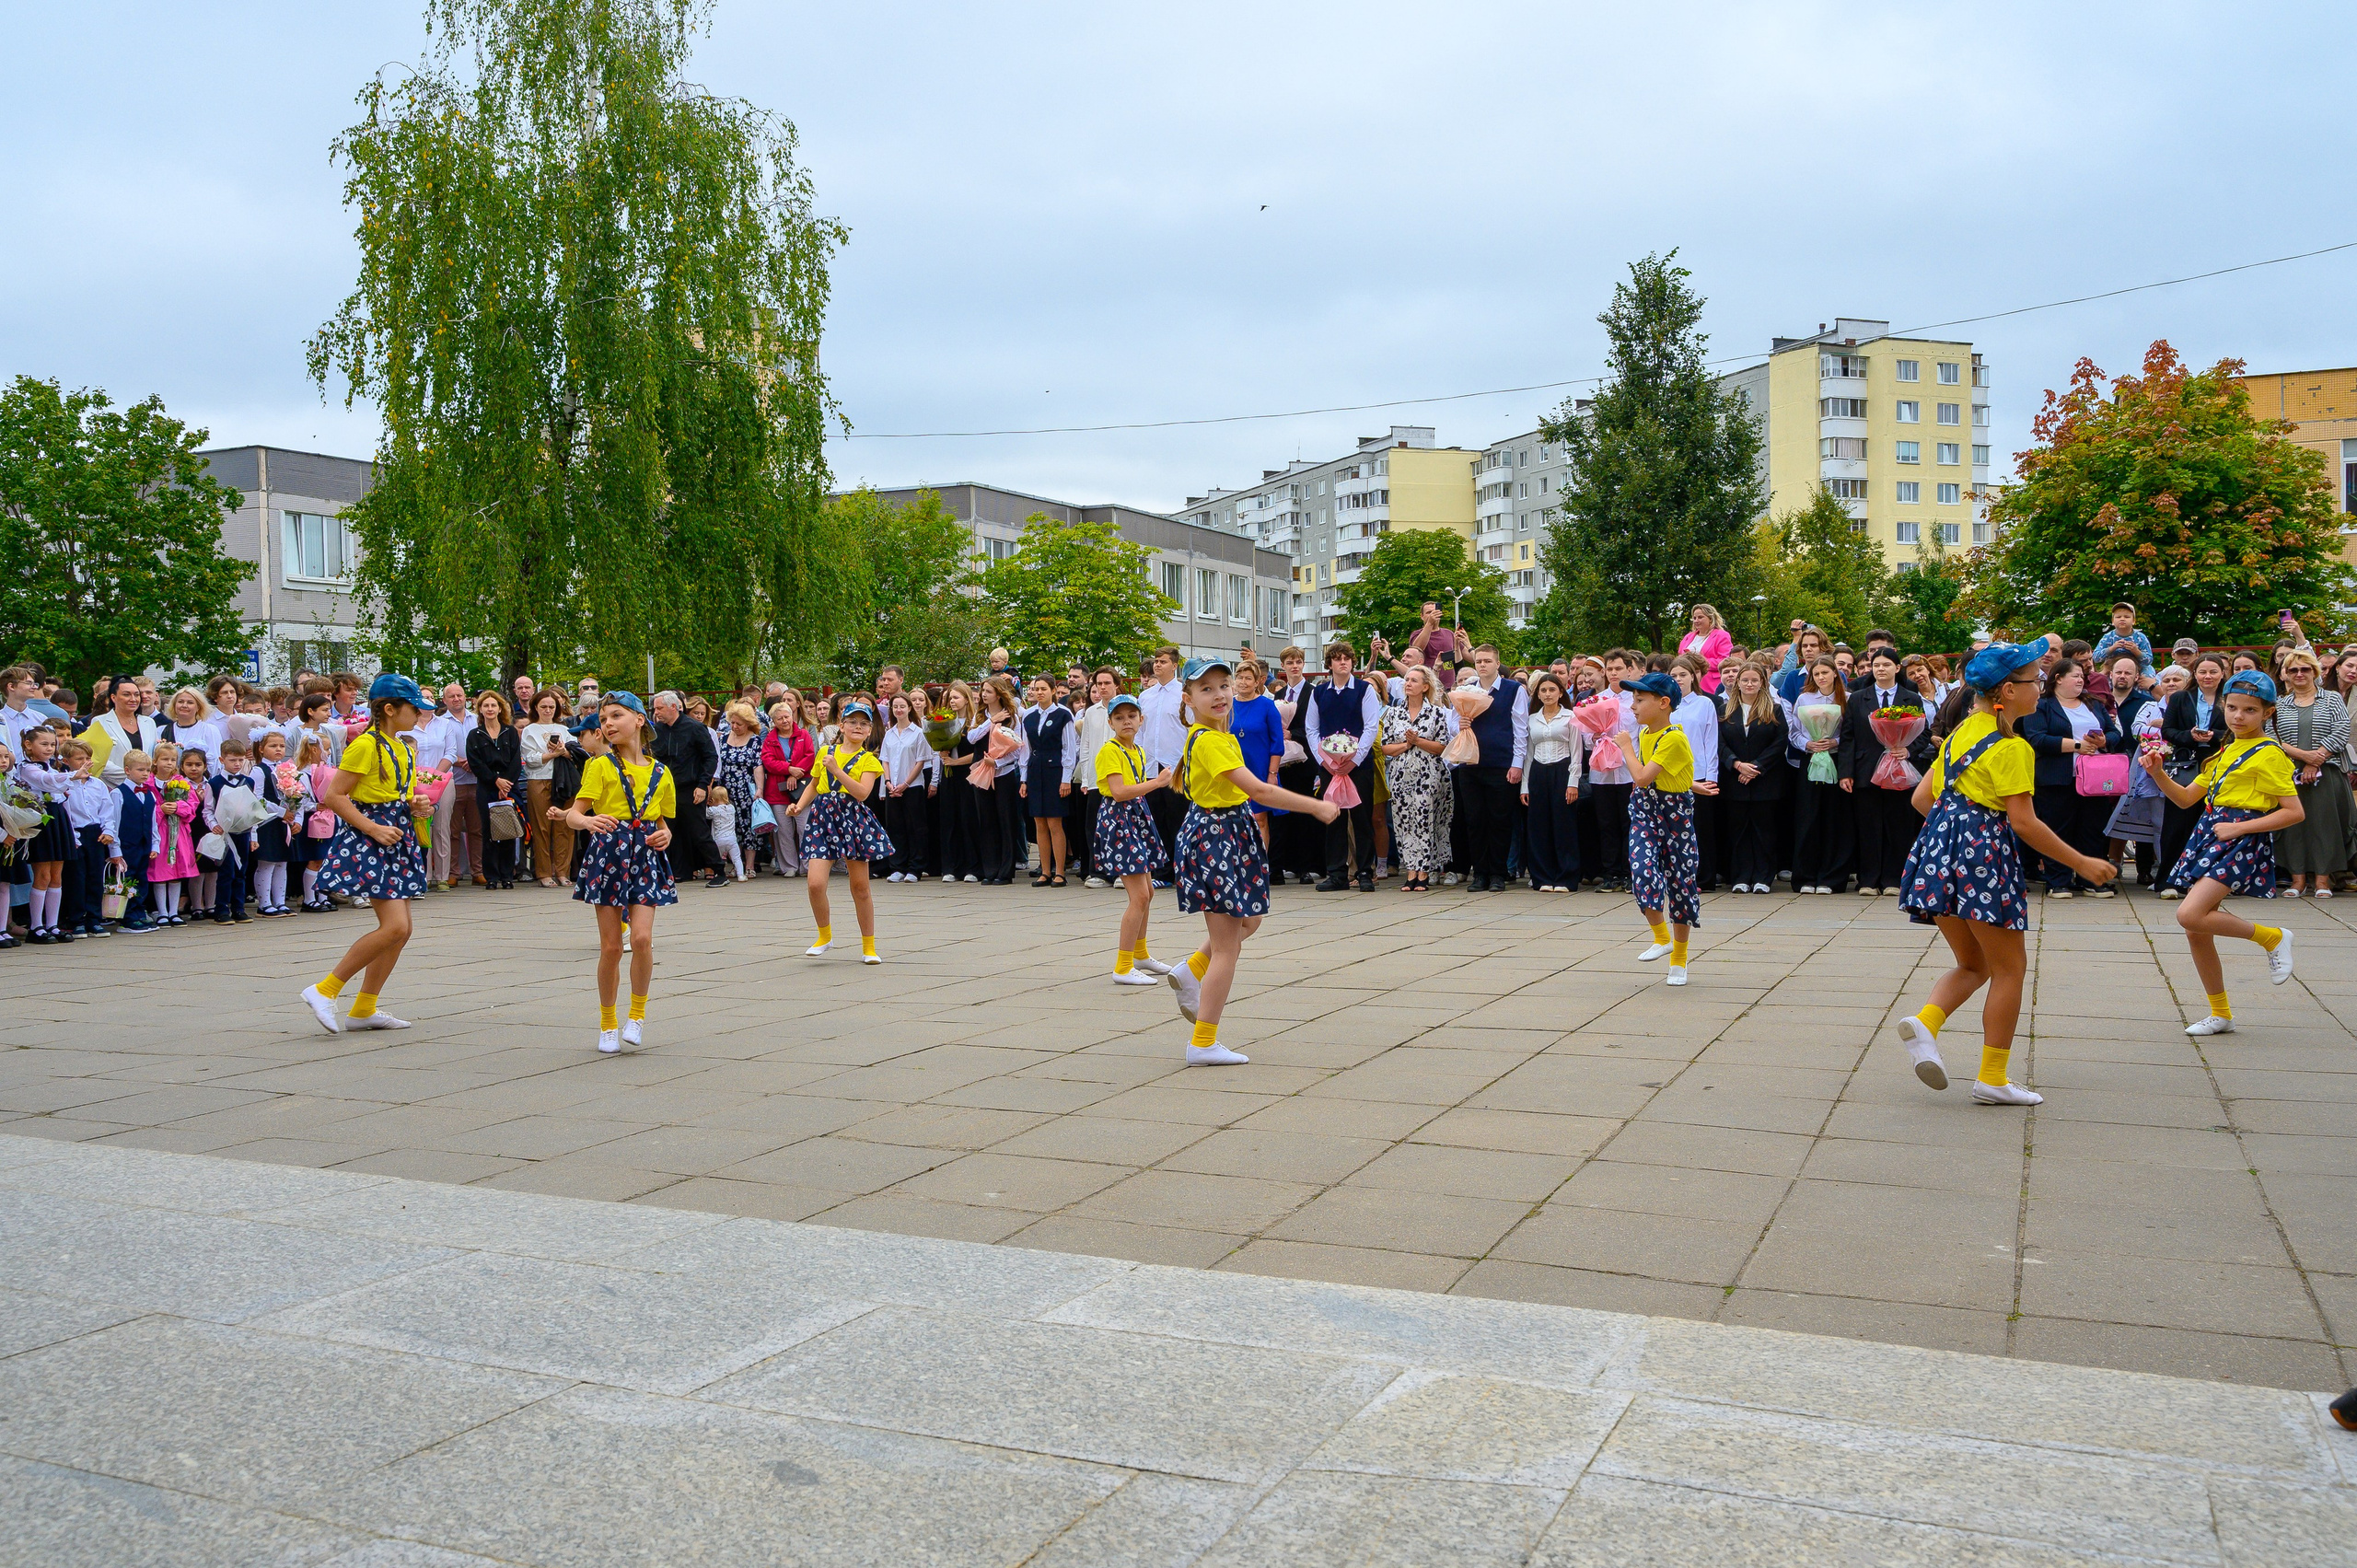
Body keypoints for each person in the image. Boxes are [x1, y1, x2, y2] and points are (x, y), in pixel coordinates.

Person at [1894, 637, 2117, 1106]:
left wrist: (1954, 829)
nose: (2040, 685)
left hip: (1938, 850)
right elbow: (2023, 822)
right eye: (2033, 679)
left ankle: (1926, 1023)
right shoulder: (2013, 747)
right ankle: (1992, 1078)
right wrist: (2081, 862)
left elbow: (1920, 800)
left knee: (1972, 963)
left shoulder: (1960, 733)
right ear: (2006, 693)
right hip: (1982, 857)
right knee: (2010, 969)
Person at [1158, 656, 1338, 1064]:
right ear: (1188, 699)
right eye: (1206, 689)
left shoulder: (1216, 736)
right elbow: (1261, 790)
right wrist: (1316, 806)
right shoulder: (1210, 740)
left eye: (1223, 685)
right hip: (1215, 837)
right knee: (1227, 948)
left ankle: (1191, 969)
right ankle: (1202, 1042)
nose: (1219, 694)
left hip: (1225, 833)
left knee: (1249, 920)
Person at [2144, 671, 2303, 1035]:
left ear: (2267, 712)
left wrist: (2240, 828)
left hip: (2241, 839)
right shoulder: (2227, 749)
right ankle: (2221, 1013)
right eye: (2232, 708)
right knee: (2197, 930)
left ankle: (2273, 937)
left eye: (2249, 710)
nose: (2238, 716)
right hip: (2212, 833)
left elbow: (2294, 812)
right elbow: (2186, 799)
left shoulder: (2271, 754)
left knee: (2189, 914)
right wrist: (2157, 774)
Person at [303, 673, 432, 1035]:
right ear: (389, 709)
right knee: (395, 927)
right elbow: (334, 796)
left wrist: (415, 802)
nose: (420, 715)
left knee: (399, 932)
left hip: (395, 837)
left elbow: (395, 793)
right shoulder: (365, 745)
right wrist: (372, 828)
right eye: (414, 709)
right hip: (372, 839)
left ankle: (364, 1008)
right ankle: (325, 989)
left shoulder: (402, 746)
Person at [563, 692, 677, 1053]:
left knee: (642, 939)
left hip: (645, 856)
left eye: (616, 715)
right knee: (612, 946)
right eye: (604, 719)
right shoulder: (600, 766)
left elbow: (662, 819)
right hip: (608, 855)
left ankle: (637, 1016)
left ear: (640, 720)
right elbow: (573, 814)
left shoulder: (661, 771)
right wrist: (588, 820)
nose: (607, 724)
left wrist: (666, 833)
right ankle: (608, 1022)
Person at [789, 699, 892, 962]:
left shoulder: (868, 760)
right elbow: (814, 784)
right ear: (842, 725)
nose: (858, 727)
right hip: (823, 818)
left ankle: (868, 946)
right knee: (815, 884)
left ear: (869, 730)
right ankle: (825, 935)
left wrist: (836, 769)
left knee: (860, 887)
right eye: (853, 722)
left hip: (851, 819)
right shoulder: (826, 750)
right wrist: (799, 806)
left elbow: (862, 792)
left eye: (864, 723)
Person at [2019, 656, 2126, 899]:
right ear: (2058, 678)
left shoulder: (2093, 703)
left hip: (2095, 781)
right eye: (2075, 676)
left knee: (2092, 828)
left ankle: (2092, 880)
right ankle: (2058, 880)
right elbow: (2036, 738)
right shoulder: (2042, 705)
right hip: (2057, 779)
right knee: (2058, 829)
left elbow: (2115, 733)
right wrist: (2077, 746)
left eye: (2082, 676)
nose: (2080, 680)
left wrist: (2104, 741)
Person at [1620, 671, 1700, 985]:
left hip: (1675, 816)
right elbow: (1661, 776)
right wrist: (1692, 784)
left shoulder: (1674, 737)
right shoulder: (1646, 734)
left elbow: (1642, 775)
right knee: (1642, 869)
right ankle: (1660, 936)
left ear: (1664, 703)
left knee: (1681, 885)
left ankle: (1678, 960)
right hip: (1645, 811)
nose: (1633, 707)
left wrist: (1625, 746)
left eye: (1640, 700)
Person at [1837, 647, 1933, 895]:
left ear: (1897, 669)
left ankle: (1893, 879)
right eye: (1876, 665)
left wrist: (1908, 750)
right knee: (1868, 826)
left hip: (1899, 772)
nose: (1880, 669)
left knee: (1897, 825)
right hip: (1866, 770)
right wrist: (1846, 772)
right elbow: (1848, 737)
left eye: (1886, 665)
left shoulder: (1911, 697)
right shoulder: (1858, 697)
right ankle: (1868, 880)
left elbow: (1924, 733)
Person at [1092, 693, 1172, 985]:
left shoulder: (1137, 750)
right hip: (1120, 820)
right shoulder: (1109, 751)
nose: (1126, 721)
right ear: (1111, 722)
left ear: (1141, 719)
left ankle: (1139, 954)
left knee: (1147, 893)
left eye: (1131, 716)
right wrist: (1158, 783)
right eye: (1119, 717)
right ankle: (1123, 966)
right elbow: (1119, 791)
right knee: (1139, 896)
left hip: (1134, 818)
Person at [2267, 647, 2353, 898]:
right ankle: (2297, 881)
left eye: (2305, 669)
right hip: (2289, 773)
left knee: (2325, 826)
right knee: (2294, 827)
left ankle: (2323, 882)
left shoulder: (2332, 699)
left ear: (2314, 671)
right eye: (2293, 670)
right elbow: (2272, 736)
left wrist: (2316, 760)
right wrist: (2304, 757)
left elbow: (2341, 729)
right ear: (2285, 675)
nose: (2299, 674)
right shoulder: (2279, 704)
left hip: (2327, 772)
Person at [1305, 641, 1381, 892]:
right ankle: (1336, 874)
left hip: (1358, 766)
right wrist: (1326, 760)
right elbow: (1312, 729)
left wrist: (1354, 759)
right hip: (1329, 767)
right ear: (1330, 664)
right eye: (1338, 659)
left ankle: (1365, 872)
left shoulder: (1364, 690)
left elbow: (1371, 727)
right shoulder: (1319, 692)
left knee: (1361, 819)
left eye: (1347, 658)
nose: (1343, 662)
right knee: (1333, 818)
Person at [1378, 664, 1457, 892]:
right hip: (1401, 774)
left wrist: (1419, 741)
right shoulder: (1394, 712)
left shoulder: (1436, 712)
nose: (1408, 683)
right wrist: (1406, 744)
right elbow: (1385, 748)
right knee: (1404, 821)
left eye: (1414, 680)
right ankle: (1410, 870)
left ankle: (1423, 871)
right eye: (1407, 680)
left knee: (1425, 820)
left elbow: (1442, 746)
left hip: (1428, 773)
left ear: (1425, 686)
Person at [1456, 645, 1528, 891]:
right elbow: (1454, 723)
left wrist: (1516, 764)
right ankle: (1480, 874)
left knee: (1500, 820)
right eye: (1479, 661)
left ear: (1497, 664)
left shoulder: (1513, 690)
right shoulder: (1467, 690)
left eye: (1487, 661)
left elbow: (1520, 729)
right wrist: (1462, 722)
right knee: (1475, 820)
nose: (1482, 665)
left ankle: (1498, 873)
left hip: (1501, 764)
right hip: (1471, 763)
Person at [1719, 661, 1791, 893]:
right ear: (1737, 683)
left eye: (1754, 680)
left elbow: (1780, 743)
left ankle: (1763, 877)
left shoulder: (1774, 710)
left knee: (1764, 831)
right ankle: (1741, 876)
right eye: (1745, 680)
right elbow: (1719, 743)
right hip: (1735, 780)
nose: (1749, 684)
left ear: (1762, 684)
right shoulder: (1725, 710)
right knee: (1738, 831)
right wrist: (1737, 764)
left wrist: (1756, 767)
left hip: (1765, 780)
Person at [649, 691, 722, 889]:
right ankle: (677, 872)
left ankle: (719, 870)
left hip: (691, 787)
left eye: (659, 708)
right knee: (669, 830)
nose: (656, 713)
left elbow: (710, 757)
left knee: (699, 831)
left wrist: (703, 785)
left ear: (674, 707)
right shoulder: (657, 730)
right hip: (666, 788)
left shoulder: (695, 728)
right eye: (655, 709)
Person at [1520, 670, 1581, 892]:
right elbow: (1527, 754)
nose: (1547, 694)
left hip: (1562, 771)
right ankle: (1542, 877)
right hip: (1538, 772)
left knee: (1564, 825)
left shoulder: (1571, 717)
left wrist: (1573, 782)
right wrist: (1524, 786)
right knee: (1538, 826)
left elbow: (1576, 752)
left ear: (1561, 692)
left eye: (1552, 690)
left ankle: (1566, 877)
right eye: (1543, 690)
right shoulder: (1531, 719)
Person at [1020, 674, 1079, 887]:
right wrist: (1024, 780)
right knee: (1039, 822)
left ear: (1054, 690)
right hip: (1036, 770)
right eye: (1036, 689)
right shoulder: (1028, 715)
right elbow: (1025, 749)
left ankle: (1060, 871)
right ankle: (1045, 870)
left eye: (1044, 688)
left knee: (1055, 822)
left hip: (1056, 770)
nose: (1039, 692)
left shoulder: (1063, 714)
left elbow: (1069, 749)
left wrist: (1065, 779)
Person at [1136, 647, 1188, 874]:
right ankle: (1161, 870)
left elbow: (1190, 728)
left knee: (1177, 818)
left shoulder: (1183, 694)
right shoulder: (1146, 695)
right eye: (1156, 661)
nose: (1157, 665)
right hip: (1150, 765)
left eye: (1163, 662)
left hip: (1176, 765)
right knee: (1154, 820)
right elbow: (1140, 731)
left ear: (1174, 665)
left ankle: (1181, 869)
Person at [466, 691, 524, 890]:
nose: (490, 709)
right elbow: (476, 763)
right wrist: (495, 781)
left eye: (493, 705)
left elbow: (516, 761)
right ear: (480, 709)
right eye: (486, 706)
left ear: (500, 709)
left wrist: (506, 784)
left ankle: (507, 875)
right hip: (487, 787)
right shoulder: (475, 735)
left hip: (509, 788)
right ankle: (491, 876)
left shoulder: (510, 732)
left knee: (508, 831)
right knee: (489, 831)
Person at [877, 693, 935, 883]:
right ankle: (897, 867)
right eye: (895, 707)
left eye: (902, 706)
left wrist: (905, 784)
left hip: (912, 786)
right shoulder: (889, 733)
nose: (899, 710)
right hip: (892, 786)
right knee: (895, 827)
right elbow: (884, 759)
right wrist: (888, 782)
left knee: (915, 827)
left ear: (909, 708)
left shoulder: (918, 733)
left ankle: (916, 867)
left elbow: (920, 761)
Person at [1228, 658, 1285, 849]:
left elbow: (1277, 743)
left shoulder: (1267, 706)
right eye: (1239, 677)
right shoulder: (1227, 705)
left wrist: (1272, 774)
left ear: (1257, 682)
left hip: (1260, 769)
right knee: (1234, 819)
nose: (1243, 682)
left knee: (1260, 819)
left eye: (1248, 678)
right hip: (1232, 769)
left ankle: (1260, 867)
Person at [522, 691, 575, 889]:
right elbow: (531, 759)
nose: (547, 710)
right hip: (539, 780)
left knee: (564, 826)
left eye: (551, 707)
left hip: (563, 780)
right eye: (543, 706)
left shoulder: (564, 729)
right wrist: (552, 754)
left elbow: (576, 752)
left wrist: (564, 751)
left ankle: (563, 870)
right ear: (536, 707)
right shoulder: (529, 730)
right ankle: (544, 872)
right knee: (542, 826)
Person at [1678, 604, 1734, 694]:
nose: (1696, 621)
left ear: (1710, 619)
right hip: (1688, 684)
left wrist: (1699, 662)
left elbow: (1725, 661)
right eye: (1694, 618)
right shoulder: (1687, 637)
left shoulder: (1721, 635)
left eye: (1700, 617)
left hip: (1710, 684)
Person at [2091, 603, 2156, 679]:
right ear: (2113, 621)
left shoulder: (2141, 637)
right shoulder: (2108, 637)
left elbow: (2148, 661)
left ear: (2133, 621)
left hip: (2138, 668)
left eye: (2127, 617)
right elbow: (2095, 658)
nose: (2122, 619)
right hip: (2113, 668)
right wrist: (2112, 648)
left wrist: (2136, 651)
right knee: (2101, 680)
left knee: (2148, 679)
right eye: (2118, 617)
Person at [705, 784, 745, 882]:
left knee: (717, 859)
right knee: (736, 858)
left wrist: (707, 804)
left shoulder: (713, 810)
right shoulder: (731, 808)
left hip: (719, 839)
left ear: (713, 799)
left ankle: (718, 874)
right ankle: (741, 875)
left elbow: (706, 814)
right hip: (732, 839)